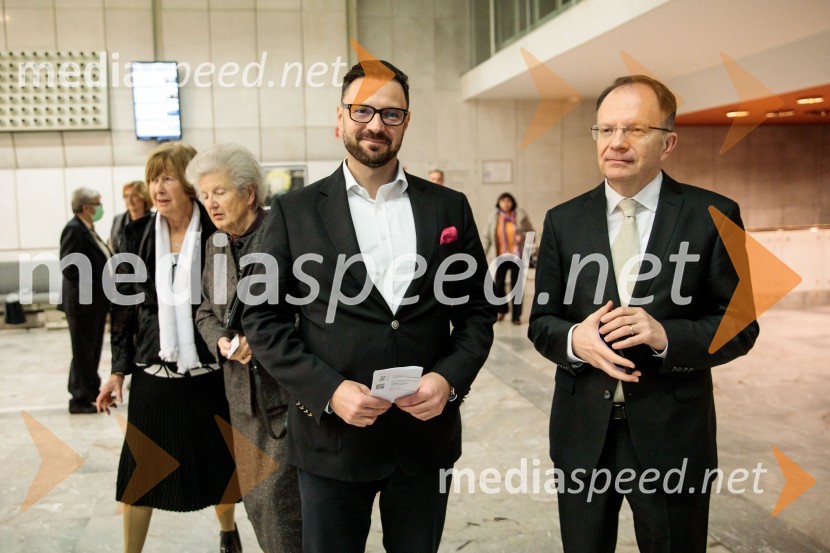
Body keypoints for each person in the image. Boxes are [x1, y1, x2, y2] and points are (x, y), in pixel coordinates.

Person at [242, 60, 496, 553]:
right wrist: (329, 390)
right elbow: (263, 319)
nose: (376, 124)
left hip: (425, 437)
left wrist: (448, 379)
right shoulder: (294, 212)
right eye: (363, 111)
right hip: (332, 441)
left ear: (406, 123)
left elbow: (477, 314)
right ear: (340, 119)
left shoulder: (448, 207)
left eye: (391, 114)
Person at [528, 75, 759, 553]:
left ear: (668, 142)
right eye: (606, 129)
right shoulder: (562, 221)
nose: (616, 143)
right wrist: (576, 341)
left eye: (635, 129)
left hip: (674, 435)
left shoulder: (717, 214)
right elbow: (541, 324)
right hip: (582, 436)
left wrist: (664, 336)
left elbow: (740, 326)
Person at [96, 142, 241, 553]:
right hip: (154, 372)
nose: (157, 188)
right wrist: (118, 371)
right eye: (153, 178)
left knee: (220, 467)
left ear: (190, 183)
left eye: (167, 177)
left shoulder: (218, 234)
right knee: (140, 475)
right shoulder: (136, 234)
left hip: (208, 374)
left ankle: (228, 532)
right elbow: (123, 309)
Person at [191, 143, 303, 553]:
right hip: (243, 402)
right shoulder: (216, 246)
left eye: (219, 192)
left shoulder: (284, 235)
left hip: (288, 397)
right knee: (260, 507)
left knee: (287, 510)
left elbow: (311, 311)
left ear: (250, 192)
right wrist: (219, 339)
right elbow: (205, 310)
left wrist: (260, 341)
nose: (210, 204)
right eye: (205, 196)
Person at [60, 187, 111, 414]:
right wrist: (95, 287)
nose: (100, 208)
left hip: (94, 303)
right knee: (82, 352)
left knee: (91, 351)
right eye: (98, 204)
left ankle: (91, 393)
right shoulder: (74, 229)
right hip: (82, 303)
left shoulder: (89, 229)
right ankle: (79, 399)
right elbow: (70, 267)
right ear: (86, 207)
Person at [481, 192, 534, 325]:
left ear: (513, 202)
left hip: (517, 256)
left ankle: (516, 316)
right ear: (499, 203)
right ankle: (502, 310)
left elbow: (531, 232)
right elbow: (487, 237)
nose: (506, 203)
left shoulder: (520, 216)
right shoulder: (493, 217)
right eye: (503, 201)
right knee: (498, 285)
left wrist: (523, 237)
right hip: (500, 256)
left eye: (509, 201)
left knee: (517, 287)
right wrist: (482, 254)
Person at [109, 180, 152, 253]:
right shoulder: (118, 220)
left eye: (134, 196)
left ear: (144, 198)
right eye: (126, 196)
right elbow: (114, 247)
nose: (129, 200)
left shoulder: (154, 220)